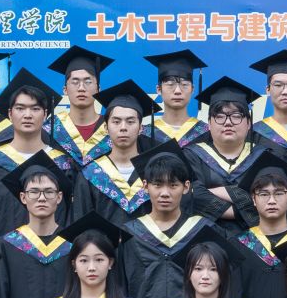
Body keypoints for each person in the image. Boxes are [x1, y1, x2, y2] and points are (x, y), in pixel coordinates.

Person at [0, 69, 80, 242]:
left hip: (55, 254)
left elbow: (71, 217)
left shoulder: (63, 164)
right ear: (10, 114)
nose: (27, 115)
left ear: (45, 114)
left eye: (35, 109)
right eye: (20, 108)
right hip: (3, 255)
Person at [120, 142, 219, 298]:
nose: (165, 193)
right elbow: (121, 285)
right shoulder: (130, 234)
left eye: (173, 185)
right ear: (145, 186)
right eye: (157, 185)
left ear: (186, 187)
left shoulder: (203, 230)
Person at [226, 155, 287, 298]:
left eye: (279, 193)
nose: (272, 200)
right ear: (254, 199)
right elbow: (232, 297)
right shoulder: (237, 245)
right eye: (264, 194)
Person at [0, 159, 73, 298]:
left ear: (59, 197)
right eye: (34, 191)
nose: (41, 198)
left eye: (49, 192)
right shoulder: (7, 246)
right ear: (23, 197)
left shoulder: (72, 244)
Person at [184, 76, 268, 223]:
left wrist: (210, 192)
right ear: (209, 124)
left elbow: (268, 198)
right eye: (220, 116)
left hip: (255, 234)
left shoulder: (263, 157)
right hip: (204, 234)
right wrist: (243, 209)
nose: (228, 122)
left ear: (248, 124)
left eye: (236, 116)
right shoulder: (191, 156)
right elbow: (191, 195)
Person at [74, 82, 154, 230]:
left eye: (130, 121)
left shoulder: (154, 171)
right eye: (116, 121)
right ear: (106, 128)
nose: (123, 127)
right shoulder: (90, 174)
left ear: (141, 128)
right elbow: (81, 226)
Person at [47, 44, 117, 166]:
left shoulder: (113, 129)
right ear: (65, 90)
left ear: (98, 89)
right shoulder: (50, 129)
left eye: (88, 82)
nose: (81, 88)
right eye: (75, 82)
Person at [146, 49, 210, 147]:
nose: (177, 91)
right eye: (170, 84)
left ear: (192, 89)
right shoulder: (145, 134)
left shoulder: (206, 132)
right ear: (159, 89)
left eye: (184, 84)